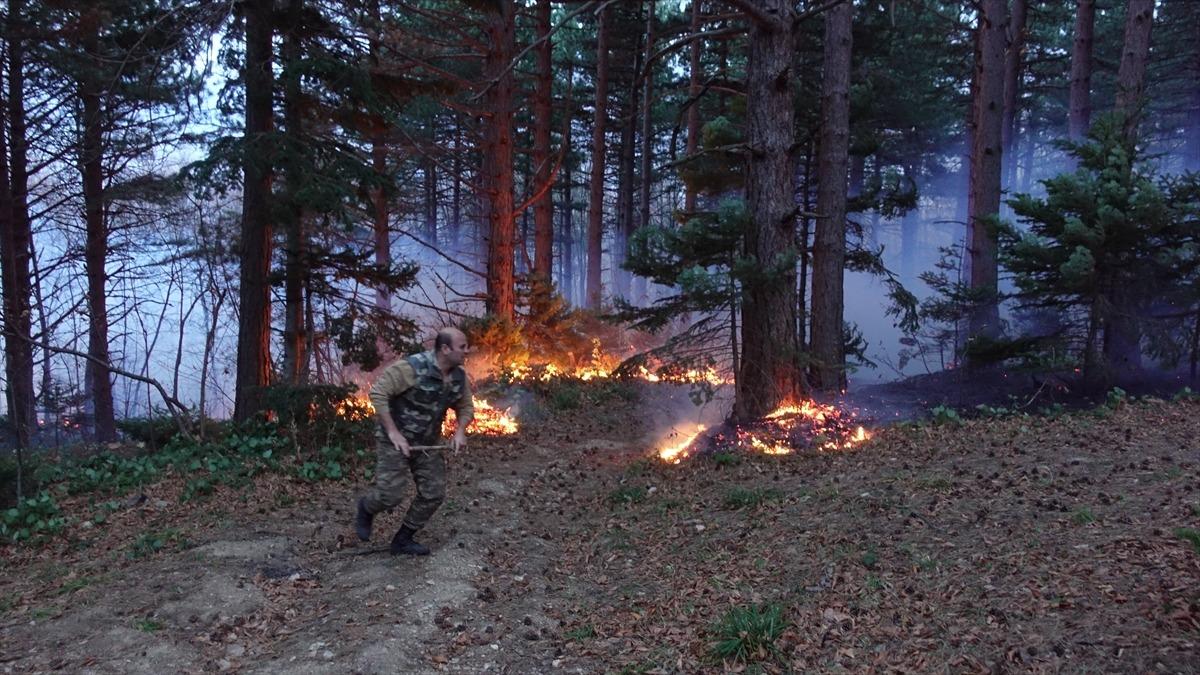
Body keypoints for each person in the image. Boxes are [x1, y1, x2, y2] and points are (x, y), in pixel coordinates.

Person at [354, 327, 473, 555]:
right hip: (395, 441)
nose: (467, 351)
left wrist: (460, 431)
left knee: (434, 493)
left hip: (427, 444)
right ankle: (367, 508)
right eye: (462, 347)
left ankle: (402, 540)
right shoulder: (411, 368)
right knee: (390, 496)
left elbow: (465, 405)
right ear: (445, 349)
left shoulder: (458, 376)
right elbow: (378, 393)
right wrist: (393, 432)